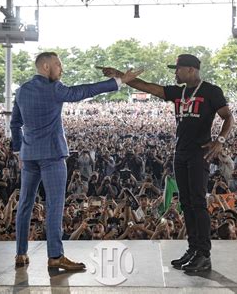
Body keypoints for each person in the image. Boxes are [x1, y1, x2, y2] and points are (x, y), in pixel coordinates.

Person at [102, 53, 234, 273]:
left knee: (198, 203)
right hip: (180, 153)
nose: (175, 72)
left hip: (199, 153)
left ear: (191, 69)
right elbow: (146, 86)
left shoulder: (211, 91)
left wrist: (219, 140)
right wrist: (119, 75)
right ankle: (193, 249)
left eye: (178, 69)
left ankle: (204, 254)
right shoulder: (177, 92)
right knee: (186, 203)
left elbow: (228, 117)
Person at [10, 52, 142, 270]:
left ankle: (20, 254)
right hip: (52, 155)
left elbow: (15, 124)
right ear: (45, 67)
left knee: (25, 204)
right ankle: (55, 255)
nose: (61, 69)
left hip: (29, 155)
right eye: (57, 65)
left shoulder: (22, 91)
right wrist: (119, 81)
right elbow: (83, 91)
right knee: (54, 204)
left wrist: (18, 152)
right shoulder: (54, 88)